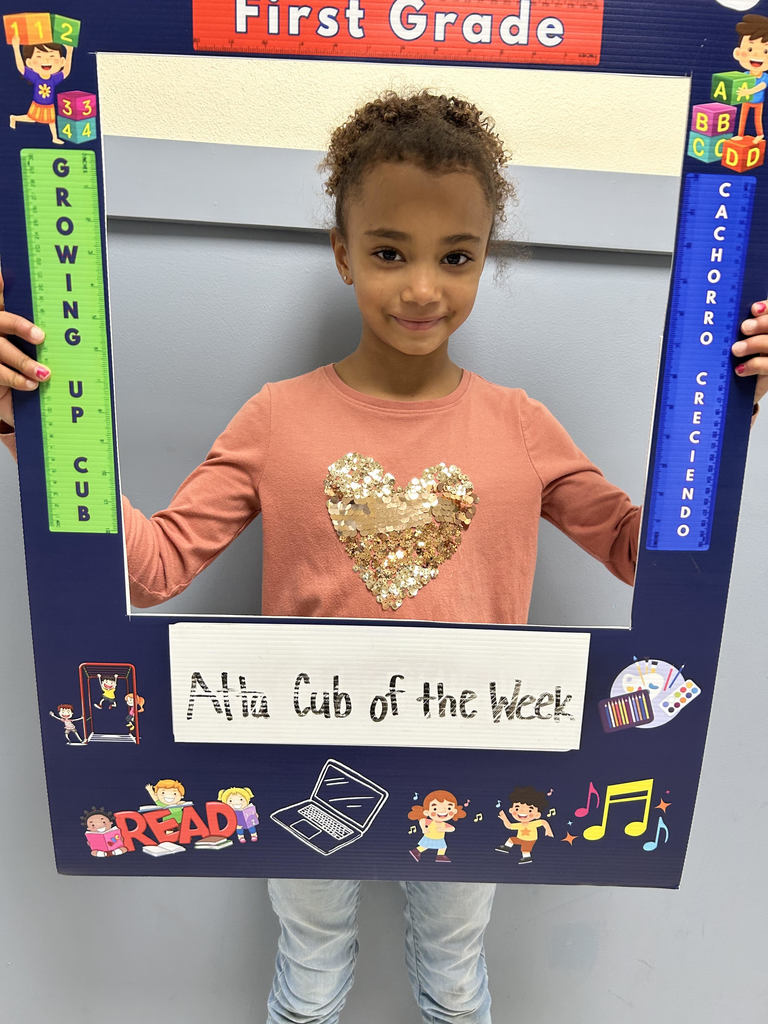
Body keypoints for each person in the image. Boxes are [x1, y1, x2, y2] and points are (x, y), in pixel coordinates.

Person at [1, 89, 767, 1023]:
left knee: (454, 974)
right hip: (299, 760)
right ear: (343, 252)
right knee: (311, 969)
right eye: (390, 252)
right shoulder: (276, 417)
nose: (422, 290)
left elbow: (643, 554)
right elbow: (152, 566)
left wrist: (722, 420)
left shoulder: (521, 426)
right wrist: (41, 435)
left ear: (485, 258)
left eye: (457, 257)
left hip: (476, 766)